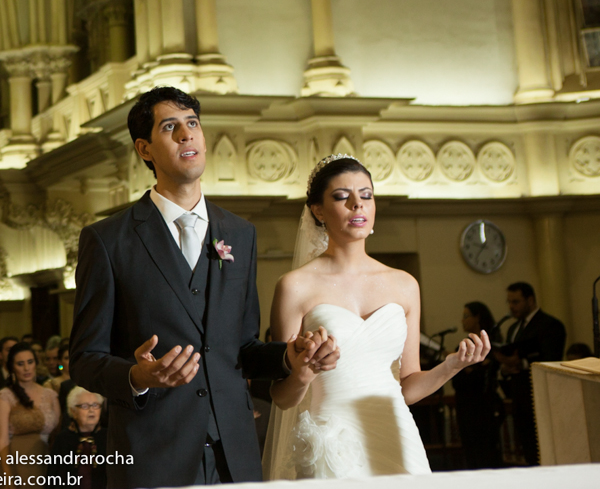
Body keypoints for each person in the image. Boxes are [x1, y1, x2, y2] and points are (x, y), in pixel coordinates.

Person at [73, 87, 324, 488]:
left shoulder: (239, 234)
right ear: (145, 149)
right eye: (169, 127)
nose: (186, 135)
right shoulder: (108, 240)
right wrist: (138, 376)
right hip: (152, 454)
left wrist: (289, 356)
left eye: (193, 124)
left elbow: (241, 348)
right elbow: (84, 358)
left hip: (234, 455)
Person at [263, 154, 490, 479]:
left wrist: (452, 365)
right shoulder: (295, 287)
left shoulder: (404, 284)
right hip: (333, 440)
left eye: (366, 195)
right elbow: (281, 398)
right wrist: (303, 374)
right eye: (342, 197)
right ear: (318, 210)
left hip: (396, 434)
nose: (358, 205)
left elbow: (407, 387)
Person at [495, 281, 567, 465]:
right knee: (528, 451)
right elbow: (510, 358)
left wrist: (522, 363)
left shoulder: (550, 325)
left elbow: (551, 360)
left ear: (530, 300)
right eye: (509, 302)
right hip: (519, 397)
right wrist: (505, 367)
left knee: (544, 452)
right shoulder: (513, 328)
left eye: (516, 302)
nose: (511, 307)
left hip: (540, 397)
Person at [0, 343, 59, 480]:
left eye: (30, 362)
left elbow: (58, 433)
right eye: (20, 364)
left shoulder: (50, 395)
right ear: (12, 367)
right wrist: (7, 477)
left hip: (49, 461)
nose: (26, 368)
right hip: (18, 462)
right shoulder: (5, 396)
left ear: (36, 363)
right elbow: (2, 440)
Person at [452, 302, 503, 469]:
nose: (462, 320)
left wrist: (470, 371)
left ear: (478, 317)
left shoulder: (493, 345)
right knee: (470, 454)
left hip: (484, 406)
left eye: (466, 316)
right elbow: (457, 381)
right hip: (464, 406)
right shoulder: (462, 346)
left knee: (486, 455)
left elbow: (484, 377)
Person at [49, 387, 107, 489]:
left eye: (95, 405)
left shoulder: (107, 436)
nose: (91, 410)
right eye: (84, 406)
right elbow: (53, 475)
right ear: (73, 411)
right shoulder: (63, 438)